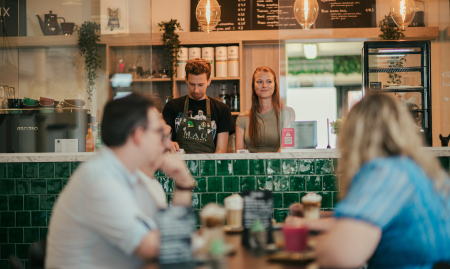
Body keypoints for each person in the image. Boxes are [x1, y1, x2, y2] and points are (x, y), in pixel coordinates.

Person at [286, 94, 450, 269]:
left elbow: (338, 255)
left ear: (354, 135)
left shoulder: (384, 172)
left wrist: (306, 235)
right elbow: (368, 217)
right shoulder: (412, 167)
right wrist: (317, 217)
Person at [46, 93, 196, 269]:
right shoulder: (99, 179)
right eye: (159, 133)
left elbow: (169, 239)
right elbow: (154, 248)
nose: (167, 144)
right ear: (138, 135)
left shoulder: (135, 178)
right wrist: (203, 243)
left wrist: (184, 185)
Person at [162, 58, 235, 154]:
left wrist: (209, 168)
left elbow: (220, 150)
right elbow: (162, 134)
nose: (196, 90)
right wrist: (167, 142)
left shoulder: (222, 109)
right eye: (192, 84)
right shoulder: (172, 106)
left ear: (209, 81)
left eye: (200, 85)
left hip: (209, 166)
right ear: (186, 80)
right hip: (179, 165)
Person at [235, 66, 295, 152]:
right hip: (251, 165)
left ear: (275, 86)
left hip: (278, 164)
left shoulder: (287, 113)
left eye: (269, 81)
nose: (264, 85)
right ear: (253, 87)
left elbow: (286, 148)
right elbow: (239, 155)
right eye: (259, 82)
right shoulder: (242, 118)